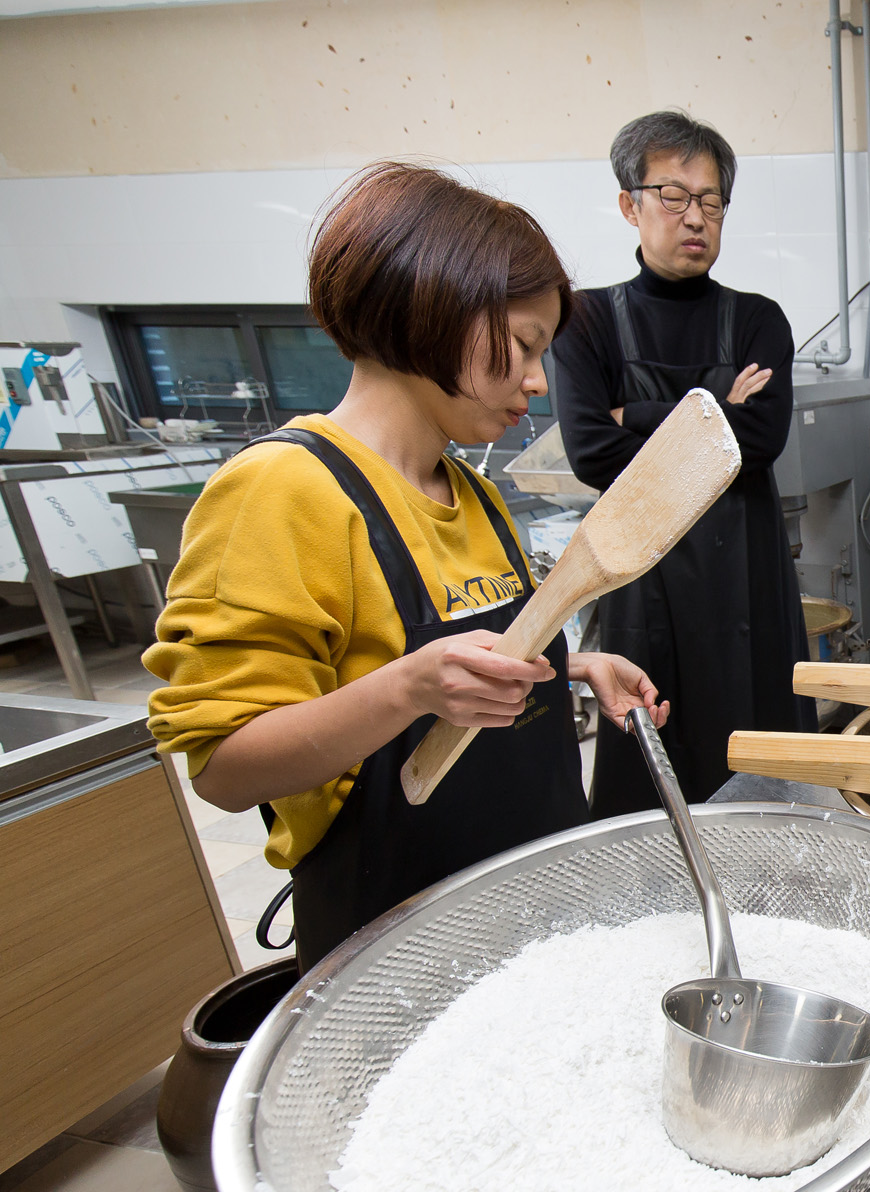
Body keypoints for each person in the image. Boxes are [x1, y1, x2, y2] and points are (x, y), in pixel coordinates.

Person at [146, 164, 670, 970]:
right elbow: (223, 765)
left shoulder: (474, 492)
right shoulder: (283, 491)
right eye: (525, 346)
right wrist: (406, 689)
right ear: (434, 307)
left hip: (535, 920)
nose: (537, 381)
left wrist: (576, 664)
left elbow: (477, 657)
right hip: (398, 950)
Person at [550, 109, 812, 812]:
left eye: (711, 201)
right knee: (654, 779)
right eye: (673, 195)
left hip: (748, 580)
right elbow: (591, 451)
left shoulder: (759, 319)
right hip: (644, 578)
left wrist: (633, 413)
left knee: (765, 779)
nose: (694, 217)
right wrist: (714, 408)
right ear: (629, 205)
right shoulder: (585, 321)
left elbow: (759, 443)